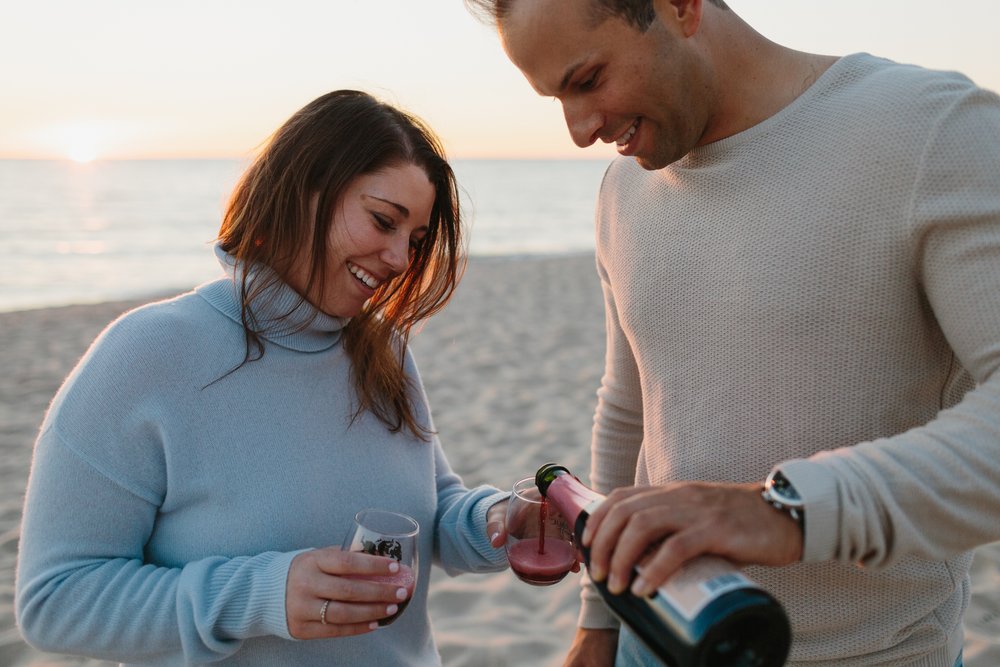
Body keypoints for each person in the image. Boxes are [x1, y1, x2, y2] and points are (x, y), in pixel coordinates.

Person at [465, 0, 1000, 665]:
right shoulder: (619, 192)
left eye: (587, 79)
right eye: (557, 98)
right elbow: (631, 410)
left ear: (680, 8)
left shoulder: (930, 128)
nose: (578, 130)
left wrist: (786, 511)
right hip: (653, 638)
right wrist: (600, 618)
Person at [15, 89, 511, 665]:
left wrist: (499, 521)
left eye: (416, 241)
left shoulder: (384, 352)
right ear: (304, 192)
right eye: (383, 221)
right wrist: (262, 595)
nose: (401, 259)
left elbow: (431, 509)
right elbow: (54, 600)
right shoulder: (146, 354)